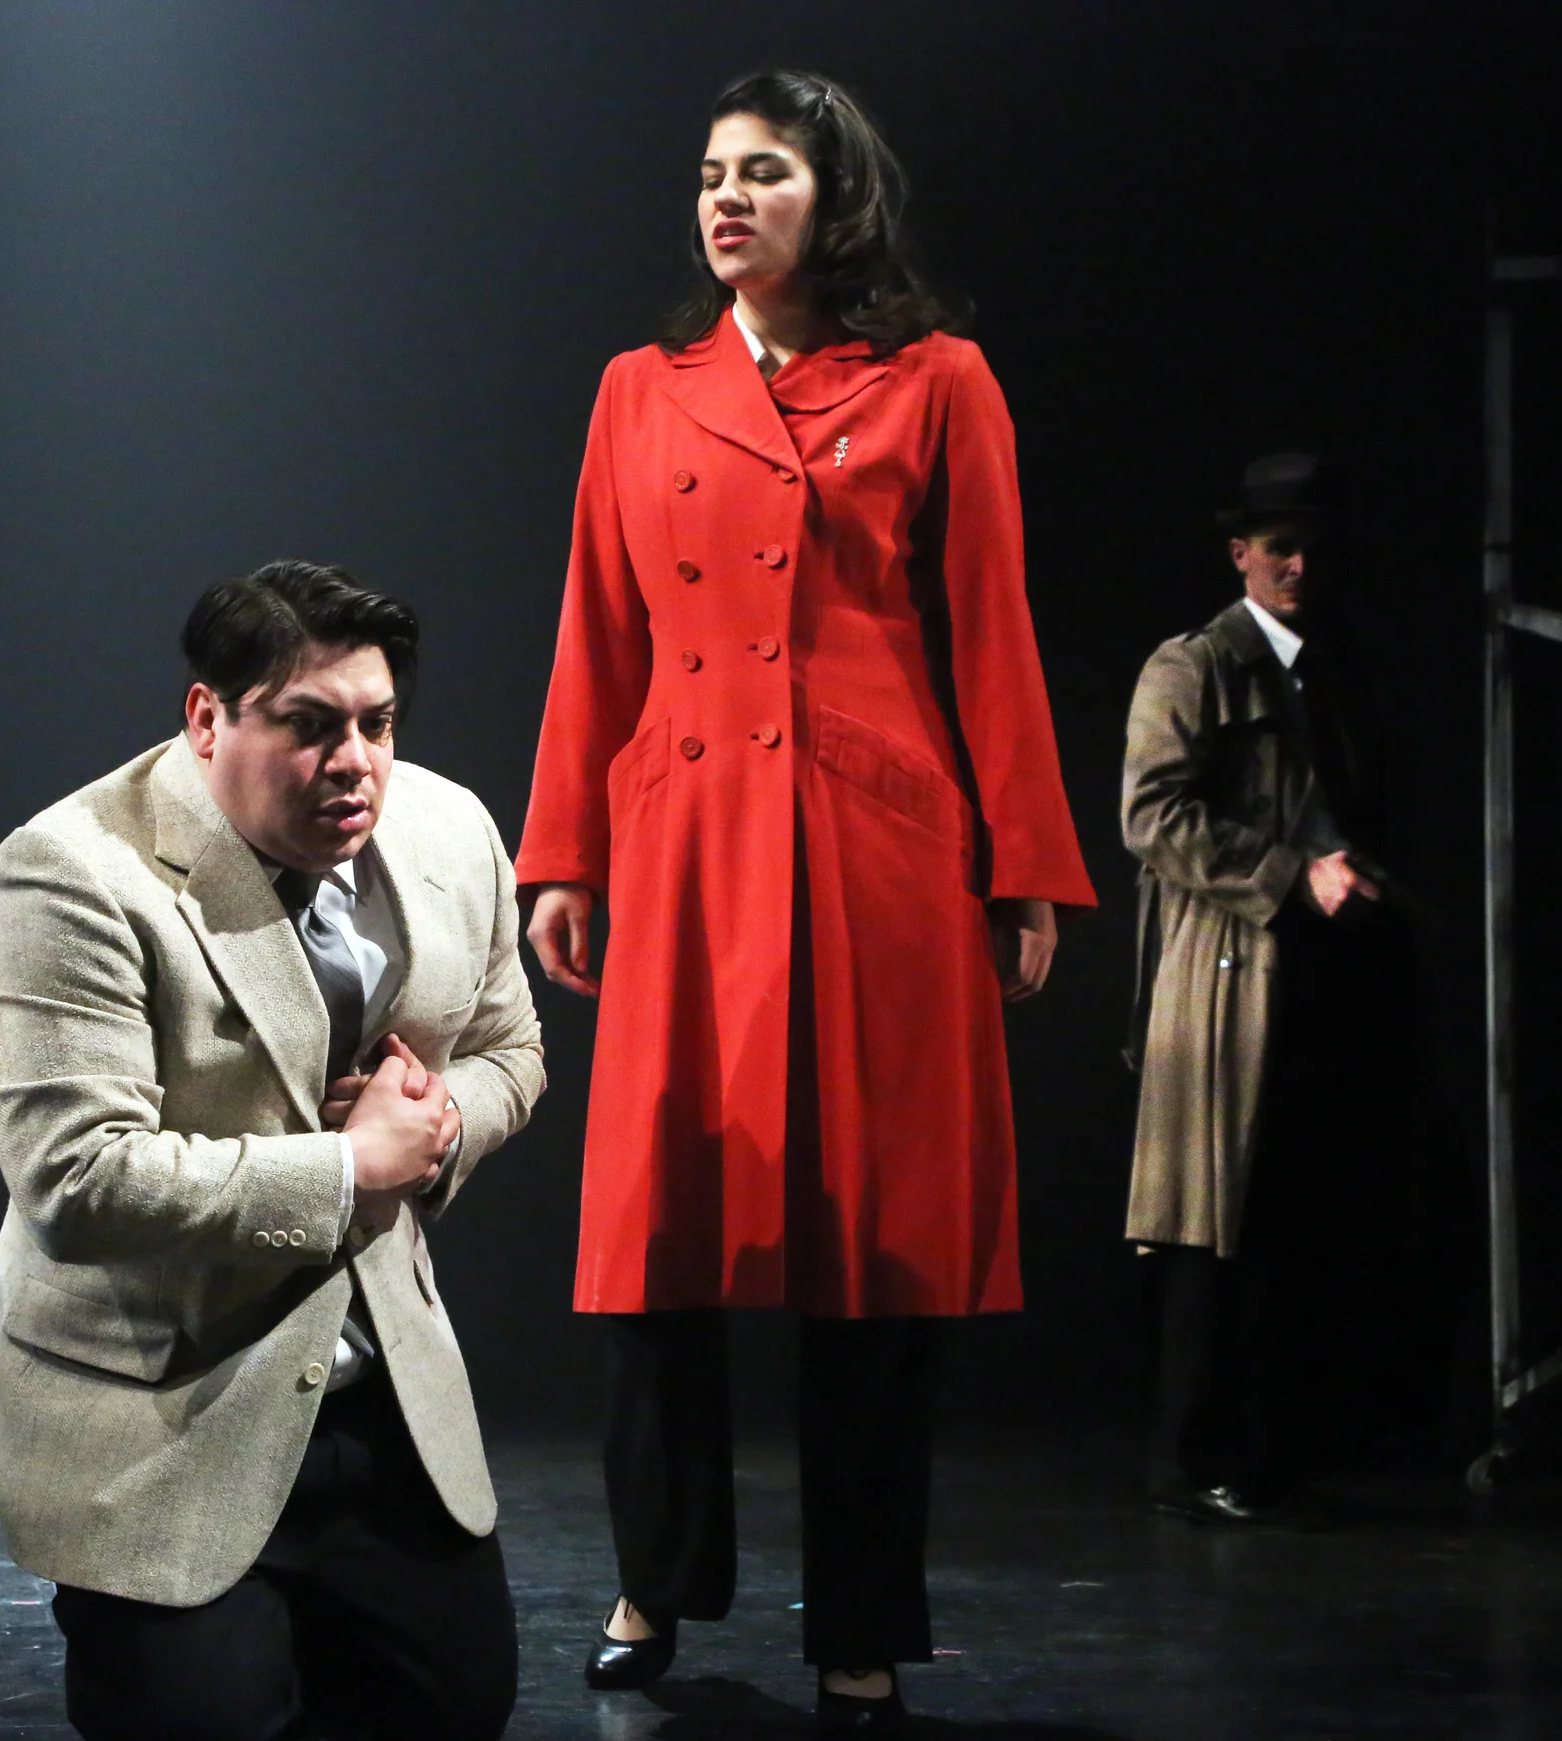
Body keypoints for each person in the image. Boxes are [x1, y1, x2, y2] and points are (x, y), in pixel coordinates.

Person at [517, 70, 1095, 1733]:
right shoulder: (640, 390)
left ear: (834, 198)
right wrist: (564, 854)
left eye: (763, 172)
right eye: (712, 172)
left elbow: (994, 630)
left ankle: (863, 1624)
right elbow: (596, 631)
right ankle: (653, 1581)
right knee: (655, 1239)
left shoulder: (937, 381)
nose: (727, 198)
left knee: (876, 1262)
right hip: (687, 834)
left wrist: (1024, 866)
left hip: (872, 844)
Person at [0, 560, 543, 1741]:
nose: (354, 762)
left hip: (383, 1398)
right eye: (308, 724)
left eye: (377, 724)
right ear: (206, 717)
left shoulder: (449, 830)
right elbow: (77, 1178)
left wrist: (437, 1123)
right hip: (166, 1409)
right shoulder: (71, 870)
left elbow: (510, 1048)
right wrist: (351, 1168)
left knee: (455, 1708)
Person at [1121, 452, 1412, 1521]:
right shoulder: (1196, 665)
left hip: (1325, 969)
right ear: (1239, 553)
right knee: (1213, 1218)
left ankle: (1274, 1448)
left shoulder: (1334, 667)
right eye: (1278, 546)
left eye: (1313, 548)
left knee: (1300, 1211)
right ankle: (1195, 1456)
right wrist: (1291, 873)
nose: (1297, 566)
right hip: (1227, 970)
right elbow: (1151, 815)